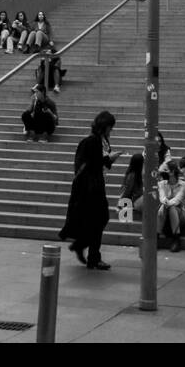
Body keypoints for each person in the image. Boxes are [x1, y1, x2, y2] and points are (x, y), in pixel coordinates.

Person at [59, 110, 120, 269]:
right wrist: (110, 159)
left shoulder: (101, 140)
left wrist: (108, 160)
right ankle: (89, 252)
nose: (111, 130)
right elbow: (94, 164)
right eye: (110, 127)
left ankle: (85, 249)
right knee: (100, 219)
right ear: (104, 126)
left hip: (94, 186)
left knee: (97, 220)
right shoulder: (93, 141)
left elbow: (97, 163)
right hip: (90, 189)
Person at [157, 161, 185, 251]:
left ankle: (176, 239)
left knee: (171, 207)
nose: (162, 172)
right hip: (165, 213)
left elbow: (177, 200)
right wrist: (165, 203)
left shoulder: (183, 185)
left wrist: (166, 204)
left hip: (181, 214)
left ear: (172, 172)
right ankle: (156, 237)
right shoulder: (161, 184)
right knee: (164, 207)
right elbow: (162, 197)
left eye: (165, 170)